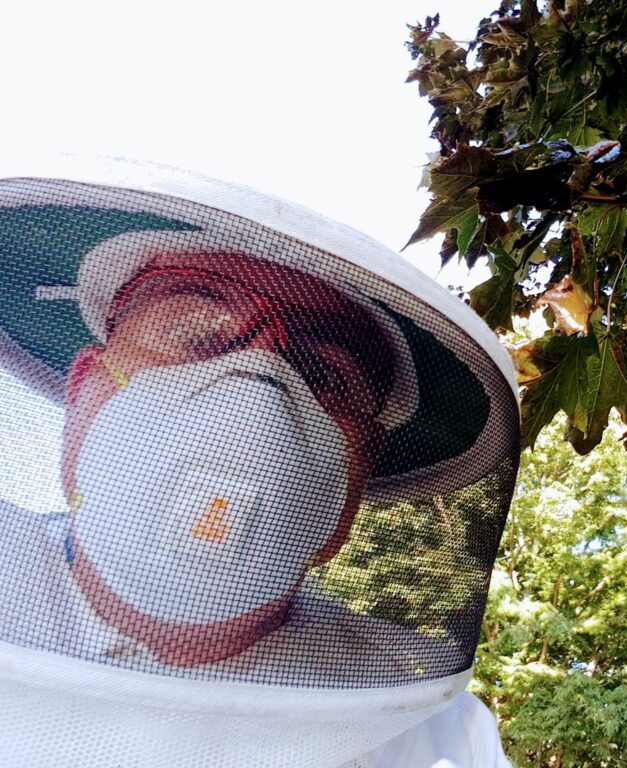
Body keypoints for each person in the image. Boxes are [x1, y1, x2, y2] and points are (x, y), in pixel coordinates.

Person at [0, 157, 520, 767]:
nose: (257, 394)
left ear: (351, 490)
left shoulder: (439, 741)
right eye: (197, 336)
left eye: (322, 372)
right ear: (86, 401)